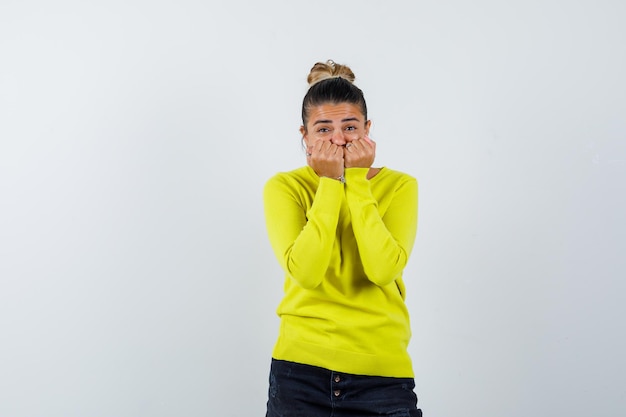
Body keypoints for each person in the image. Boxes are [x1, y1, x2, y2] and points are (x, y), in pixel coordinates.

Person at [263, 60, 422, 417]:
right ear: (304, 135)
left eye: (349, 126)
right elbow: (306, 272)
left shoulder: (400, 186)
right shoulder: (285, 187)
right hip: (299, 373)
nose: (338, 139)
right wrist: (331, 184)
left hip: (381, 377)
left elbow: (383, 270)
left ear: (367, 130)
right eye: (323, 129)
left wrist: (358, 182)